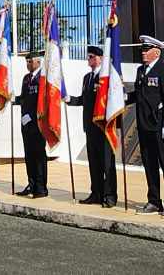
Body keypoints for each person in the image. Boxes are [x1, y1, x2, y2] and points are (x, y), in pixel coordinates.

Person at [65, 44, 117, 207]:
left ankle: (109, 196)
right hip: (89, 127)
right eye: (88, 57)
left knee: (107, 163)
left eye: (92, 57)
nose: (89, 59)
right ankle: (96, 193)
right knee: (94, 162)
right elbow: (83, 100)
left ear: (100, 58)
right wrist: (70, 99)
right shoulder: (87, 78)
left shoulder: (106, 77)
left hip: (103, 126)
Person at [132, 35, 164, 216]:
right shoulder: (140, 71)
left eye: (146, 50)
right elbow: (138, 95)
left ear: (156, 51)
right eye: (142, 50)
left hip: (160, 126)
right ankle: (154, 200)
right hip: (145, 126)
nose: (143, 53)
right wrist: (121, 97)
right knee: (149, 164)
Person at [15, 53, 49, 198]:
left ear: (38, 62)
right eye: (26, 61)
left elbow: (43, 101)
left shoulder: (43, 78)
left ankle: (41, 188)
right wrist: (13, 99)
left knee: (39, 155)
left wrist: (32, 115)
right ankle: (32, 184)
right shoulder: (26, 78)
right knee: (29, 155)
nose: (28, 64)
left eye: (30, 61)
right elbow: (24, 98)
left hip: (38, 123)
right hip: (26, 123)